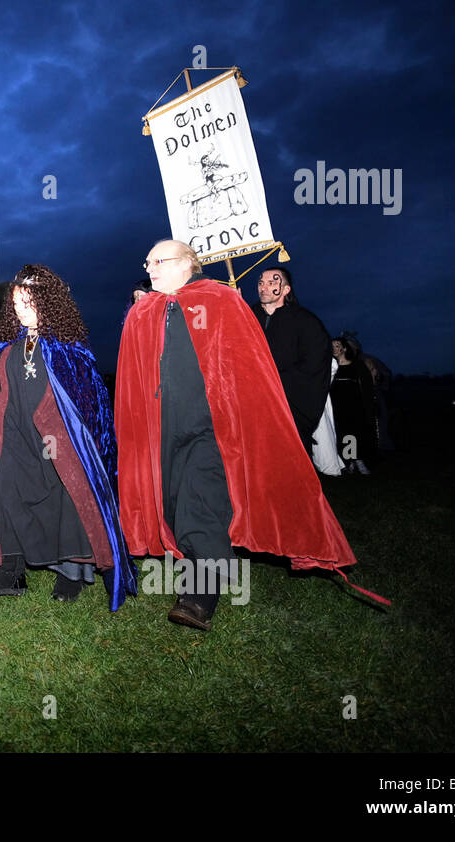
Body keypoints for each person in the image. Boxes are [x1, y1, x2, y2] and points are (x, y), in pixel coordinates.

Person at [115, 240, 368, 631]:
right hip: (164, 426)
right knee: (175, 500)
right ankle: (198, 570)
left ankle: (199, 595)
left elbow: (247, 365)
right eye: (146, 261)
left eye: (158, 261)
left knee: (201, 498)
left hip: (210, 424)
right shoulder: (143, 311)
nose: (149, 267)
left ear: (188, 264)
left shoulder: (221, 300)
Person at [0, 265, 138, 608]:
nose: (21, 308)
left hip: (58, 443)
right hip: (14, 437)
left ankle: (71, 573)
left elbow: (85, 403)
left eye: (29, 301)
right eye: (17, 302)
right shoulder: (10, 349)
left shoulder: (69, 351)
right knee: (3, 490)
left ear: (49, 303)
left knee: (65, 501)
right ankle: (11, 571)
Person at [251, 267, 332, 457]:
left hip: (289, 403)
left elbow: (315, 362)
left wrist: (279, 381)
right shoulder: (248, 316)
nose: (264, 287)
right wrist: (233, 307)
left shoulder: (304, 321)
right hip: (254, 404)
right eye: (261, 283)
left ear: (286, 290)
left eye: (272, 283)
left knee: (289, 457)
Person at [330, 333, 378, 474]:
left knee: (356, 433)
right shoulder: (331, 367)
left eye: (337, 346)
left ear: (344, 349)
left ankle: (358, 460)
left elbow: (367, 387)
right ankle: (349, 461)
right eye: (332, 346)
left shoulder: (357, 366)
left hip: (355, 407)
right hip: (337, 408)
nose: (334, 349)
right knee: (343, 434)